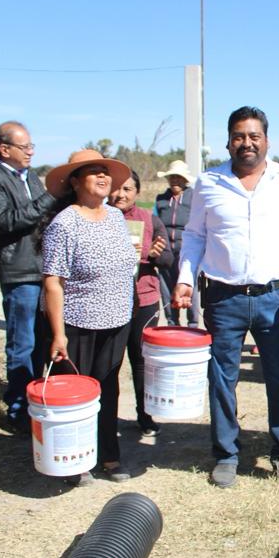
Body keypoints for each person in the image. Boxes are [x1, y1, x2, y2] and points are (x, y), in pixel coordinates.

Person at [172, 106, 279, 492]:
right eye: (239, 136)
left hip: (275, 297)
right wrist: (186, 278)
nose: (246, 143)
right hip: (222, 296)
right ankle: (226, 456)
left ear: (267, 140)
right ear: (228, 141)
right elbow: (195, 236)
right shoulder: (208, 183)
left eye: (254, 136)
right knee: (222, 379)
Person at [41, 150, 138, 484]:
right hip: (77, 322)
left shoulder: (115, 217)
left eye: (105, 171)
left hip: (116, 320)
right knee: (77, 397)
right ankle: (77, 461)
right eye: (94, 171)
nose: (103, 177)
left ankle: (109, 454)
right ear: (74, 181)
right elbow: (53, 281)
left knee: (108, 389)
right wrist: (58, 334)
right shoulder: (64, 224)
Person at [0, 121, 56, 433]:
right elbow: (7, 222)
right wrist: (50, 198)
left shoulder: (30, 177)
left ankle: (38, 399)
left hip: (41, 268)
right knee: (22, 342)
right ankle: (18, 409)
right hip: (18, 272)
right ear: (4, 149)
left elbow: (43, 215)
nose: (31, 152)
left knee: (42, 341)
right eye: (25, 147)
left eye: (32, 146)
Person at [109, 170, 173, 437]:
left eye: (128, 189)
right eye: (116, 188)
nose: (120, 194)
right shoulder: (98, 218)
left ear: (137, 192)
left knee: (141, 361)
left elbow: (168, 260)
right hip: (108, 300)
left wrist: (156, 256)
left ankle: (144, 415)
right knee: (110, 364)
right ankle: (106, 419)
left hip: (143, 299)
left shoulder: (150, 220)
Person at [155, 160, 198, 327]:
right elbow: (155, 223)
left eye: (178, 177)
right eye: (172, 177)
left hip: (187, 252)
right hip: (166, 253)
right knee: (167, 289)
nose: (175, 181)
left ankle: (193, 324)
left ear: (185, 180)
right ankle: (173, 323)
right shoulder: (161, 200)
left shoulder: (194, 197)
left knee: (189, 287)